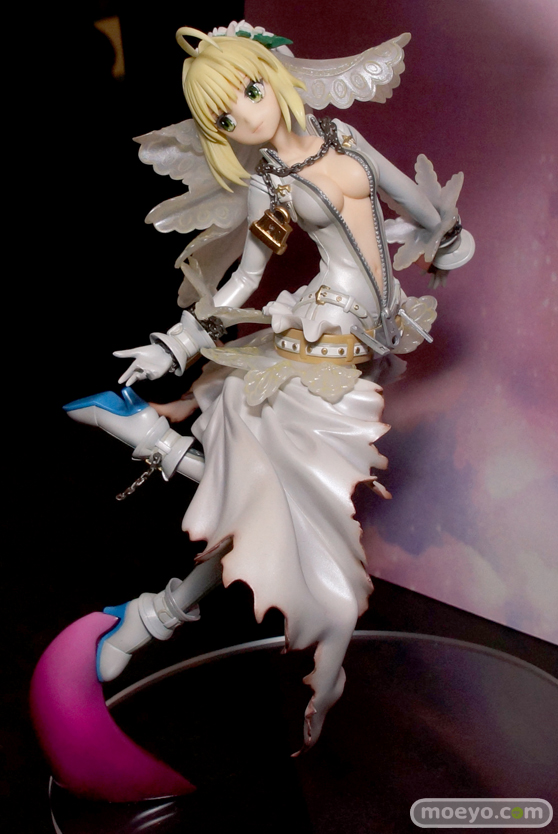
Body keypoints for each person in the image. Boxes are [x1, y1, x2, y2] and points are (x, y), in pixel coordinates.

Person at [65, 22, 474, 751]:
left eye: (249, 90)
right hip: (323, 337)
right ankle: (152, 448)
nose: (247, 116)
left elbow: (414, 207)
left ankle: (154, 600)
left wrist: (443, 238)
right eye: (224, 118)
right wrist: (176, 342)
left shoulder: (345, 138)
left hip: (372, 335)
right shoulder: (269, 188)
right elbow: (245, 278)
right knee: (278, 494)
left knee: (273, 500)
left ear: (274, 76)